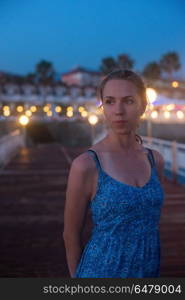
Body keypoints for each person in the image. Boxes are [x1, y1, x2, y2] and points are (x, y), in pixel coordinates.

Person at [63, 69, 165, 278]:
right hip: (101, 272)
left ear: (143, 106)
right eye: (110, 101)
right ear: (103, 108)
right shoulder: (87, 164)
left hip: (148, 273)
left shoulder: (155, 160)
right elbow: (70, 235)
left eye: (128, 101)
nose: (118, 110)